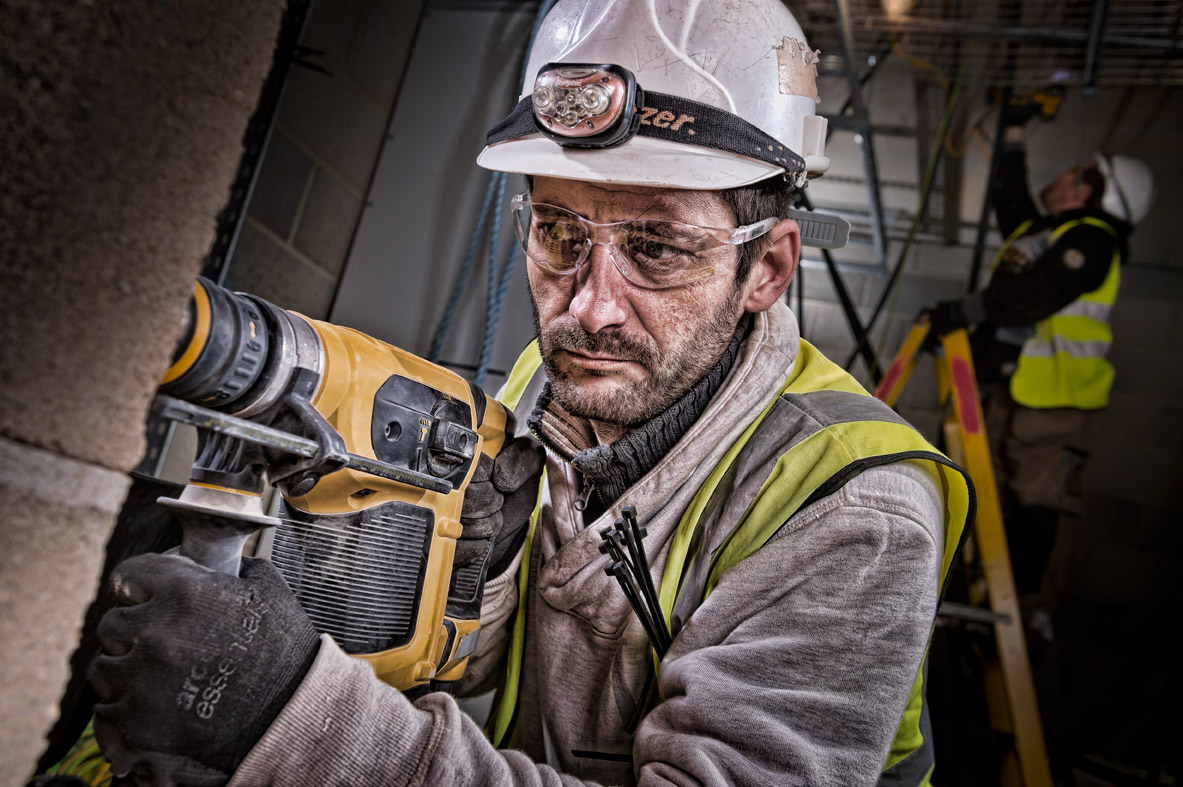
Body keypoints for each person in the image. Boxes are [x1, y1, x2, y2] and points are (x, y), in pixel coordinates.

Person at [88, 1, 974, 785]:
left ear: (766, 268)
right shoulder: (569, 373)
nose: (587, 306)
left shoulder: (854, 508)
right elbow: (494, 663)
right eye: (556, 231)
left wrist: (290, 714)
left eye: (657, 248)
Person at [925, 106, 1155, 607]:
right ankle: (990, 606)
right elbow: (1012, 204)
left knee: (1037, 513)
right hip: (1023, 395)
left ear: (1092, 192)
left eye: (1077, 175)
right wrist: (1012, 131)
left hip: (1057, 406)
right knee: (1001, 507)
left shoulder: (1093, 239)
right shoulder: (1051, 233)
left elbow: (1037, 293)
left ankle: (1026, 616)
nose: (1064, 178)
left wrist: (965, 311)